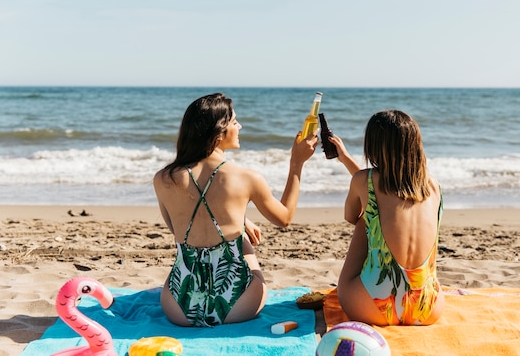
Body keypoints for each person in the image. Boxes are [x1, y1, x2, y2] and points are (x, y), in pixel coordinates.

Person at [153, 93, 317, 327]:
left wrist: (241, 219)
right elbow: (285, 218)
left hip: (178, 306)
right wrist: (296, 163)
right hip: (238, 304)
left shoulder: (163, 179)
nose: (240, 126)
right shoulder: (246, 178)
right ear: (219, 132)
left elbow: (178, 229)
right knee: (242, 245)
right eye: (234, 122)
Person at [329, 109, 445, 326]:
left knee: (365, 220)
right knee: (373, 215)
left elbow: (351, 215)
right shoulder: (434, 186)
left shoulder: (363, 181)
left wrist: (347, 163)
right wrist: (345, 159)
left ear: (373, 146)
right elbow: (383, 188)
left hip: (374, 306)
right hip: (427, 307)